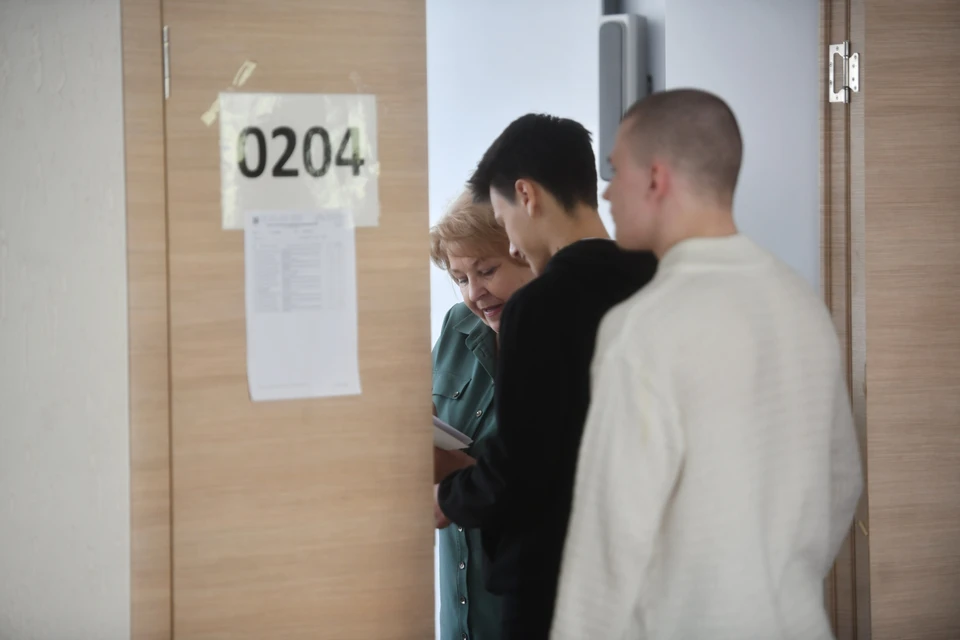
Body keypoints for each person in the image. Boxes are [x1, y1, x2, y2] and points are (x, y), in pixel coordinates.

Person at [550, 89, 864, 640]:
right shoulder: (802, 303)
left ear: (656, 178)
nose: (607, 191)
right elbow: (841, 483)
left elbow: (609, 541)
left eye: (616, 171)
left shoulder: (644, 327)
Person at [433, 114, 658, 640]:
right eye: (460, 278)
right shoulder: (656, 280)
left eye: (504, 221)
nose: (514, 245)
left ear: (526, 195)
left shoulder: (539, 306)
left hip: (550, 583)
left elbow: (523, 470)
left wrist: (447, 497)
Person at [430, 189, 532, 640]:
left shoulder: (562, 339)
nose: (475, 293)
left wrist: (461, 476)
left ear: (525, 253)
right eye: (460, 278)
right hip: (458, 615)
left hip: (519, 609)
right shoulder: (458, 324)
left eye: (487, 271)